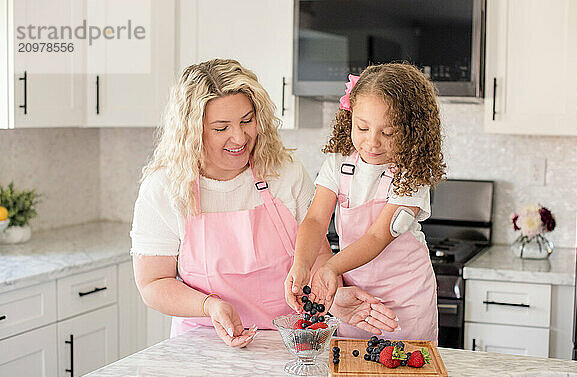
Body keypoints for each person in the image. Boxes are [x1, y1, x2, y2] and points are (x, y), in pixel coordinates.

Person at [131, 59, 398, 348]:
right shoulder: (164, 188)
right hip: (202, 344)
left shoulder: (284, 171)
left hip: (288, 343)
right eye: (221, 128)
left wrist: (333, 299)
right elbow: (153, 284)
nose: (239, 137)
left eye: (247, 121)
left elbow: (318, 254)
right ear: (192, 131)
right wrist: (210, 306)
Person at [285, 63, 446, 341]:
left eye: (388, 132)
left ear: (412, 131)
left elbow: (376, 237)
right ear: (350, 119)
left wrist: (331, 268)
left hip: (405, 300)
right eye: (362, 127)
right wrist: (301, 264)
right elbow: (314, 220)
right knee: (354, 370)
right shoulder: (339, 161)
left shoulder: (412, 174)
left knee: (405, 374)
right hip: (354, 298)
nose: (372, 142)